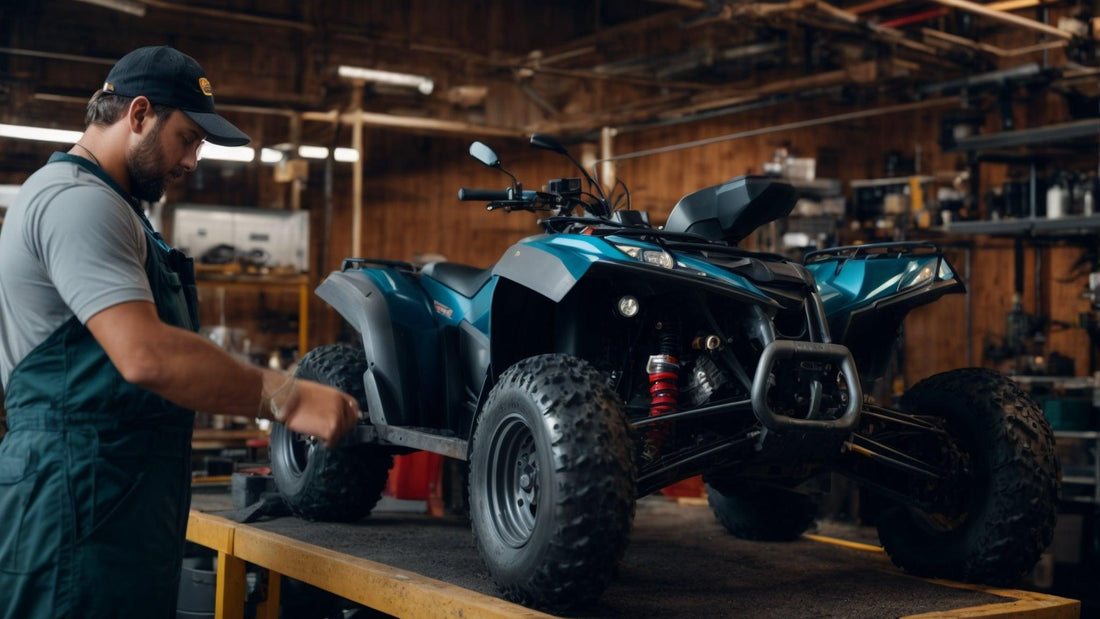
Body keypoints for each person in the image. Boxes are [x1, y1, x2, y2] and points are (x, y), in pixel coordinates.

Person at [0, 46, 359, 618]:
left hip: (117, 503)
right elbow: (146, 355)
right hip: (73, 505)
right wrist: (286, 397)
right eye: (188, 138)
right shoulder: (78, 203)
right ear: (139, 113)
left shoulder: (118, 209)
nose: (193, 161)